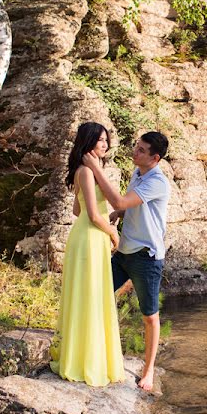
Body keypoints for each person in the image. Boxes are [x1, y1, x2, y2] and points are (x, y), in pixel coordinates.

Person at [83, 131, 170, 392]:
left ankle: (149, 370)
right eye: (136, 146)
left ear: (155, 158)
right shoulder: (138, 173)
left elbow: (121, 198)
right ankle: (98, 350)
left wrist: (96, 169)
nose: (135, 151)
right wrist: (120, 213)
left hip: (146, 257)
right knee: (95, 295)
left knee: (149, 317)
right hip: (123, 253)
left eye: (142, 150)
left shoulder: (158, 181)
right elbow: (129, 204)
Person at [50, 122, 126, 387]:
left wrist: (104, 225)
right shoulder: (87, 171)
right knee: (90, 296)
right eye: (100, 140)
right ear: (88, 142)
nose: (104, 145)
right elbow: (92, 215)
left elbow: (76, 211)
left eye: (106, 140)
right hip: (91, 238)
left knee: (88, 295)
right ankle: (86, 361)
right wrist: (113, 234)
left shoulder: (88, 170)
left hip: (86, 237)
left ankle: (85, 356)